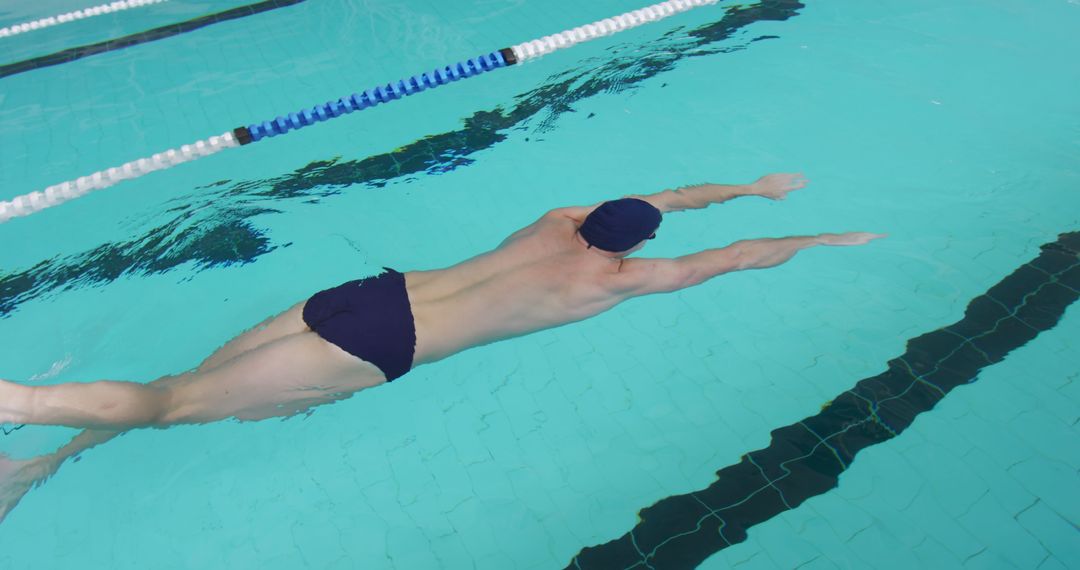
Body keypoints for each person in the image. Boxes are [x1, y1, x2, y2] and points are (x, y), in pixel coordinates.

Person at [0, 173, 884, 521]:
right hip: (388, 342)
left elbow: (667, 198)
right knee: (176, 406)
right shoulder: (613, 280)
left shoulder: (557, 221)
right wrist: (817, 237)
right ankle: (24, 406)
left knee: (181, 385)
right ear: (634, 248)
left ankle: (38, 465)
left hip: (367, 295)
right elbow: (727, 260)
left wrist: (742, 186)